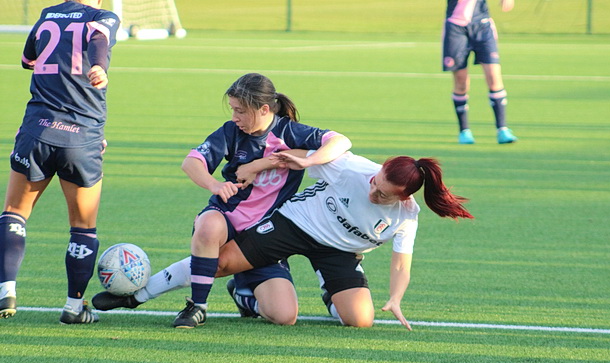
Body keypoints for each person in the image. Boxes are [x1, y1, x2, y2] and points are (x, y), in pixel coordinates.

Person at [92, 72, 352, 327]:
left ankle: (242, 294)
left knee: (285, 316)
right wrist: (215, 185)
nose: (234, 117)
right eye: (232, 109)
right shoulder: (231, 132)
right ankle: (197, 306)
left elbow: (340, 141)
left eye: (240, 111)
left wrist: (304, 161)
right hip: (227, 218)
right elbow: (191, 162)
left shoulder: (291, 132)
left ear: (263, 109)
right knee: (208, 226)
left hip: (267, 238)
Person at [171, 150, 474, 330]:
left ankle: (250, 294)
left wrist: (395, 299)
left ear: (403, 198)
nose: (372, 193)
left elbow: (400, 266)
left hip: (339, 253)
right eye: (375, 183)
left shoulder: (407, 215)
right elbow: (298, 158)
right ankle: (141, 292)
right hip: (295, 226)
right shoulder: (351, 168)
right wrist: (255, 166)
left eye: (382, 195)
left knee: (360, 320)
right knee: (220, 263)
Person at [0, 0, 119, 323]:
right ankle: (73, 307)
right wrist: (99, 67)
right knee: (83, 226)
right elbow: (98, 39)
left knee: (14, 213)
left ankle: (5, 288)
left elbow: (28, 59)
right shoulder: (103, 16)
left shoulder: (47, 15)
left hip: (36, 129)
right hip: (81, 136)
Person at [442, 0, 518, 144]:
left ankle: (502, 129)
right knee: (461, 82)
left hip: (482, 26)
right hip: (456, 27)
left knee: (494, 77)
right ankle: (464, 131)